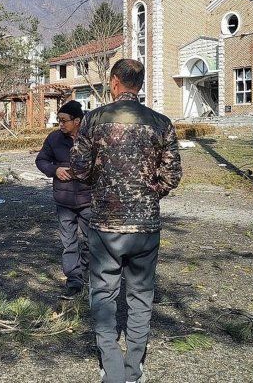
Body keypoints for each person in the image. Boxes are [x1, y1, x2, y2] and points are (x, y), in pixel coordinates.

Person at [70, 59, 182, 383]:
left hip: (105, 225)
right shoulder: (162, 123)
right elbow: (172, 175)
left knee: (103, 294)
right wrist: (149, 195)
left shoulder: (93, 120)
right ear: (140, 85)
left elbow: (79, 168)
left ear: (114, 83)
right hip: (145, 226)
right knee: (141, 295)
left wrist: (102, 186)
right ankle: (133, 370)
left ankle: (112, 370)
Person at [36, 100, 91, 300]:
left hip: (89, 200)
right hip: (64, 200)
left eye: (64, 120)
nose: (60, 124)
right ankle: (74, 281)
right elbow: (41, 160)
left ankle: (87, 273)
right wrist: (55, 170)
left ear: (77, 121)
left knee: (92, 242)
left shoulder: (91, 137)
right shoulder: (54, 138)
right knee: (69, 244)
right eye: (59, 120)